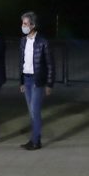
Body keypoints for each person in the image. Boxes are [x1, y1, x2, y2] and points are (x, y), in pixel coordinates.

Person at [18, 11, 54, 151]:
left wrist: (49, 83)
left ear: (33, 25)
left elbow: (50, 64)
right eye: (22, 23)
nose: (23, 26)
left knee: (35, 110)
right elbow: (21, 62)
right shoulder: (23, 41)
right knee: (31, 111)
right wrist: (21, 81)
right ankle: (33, 139)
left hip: (37, 80)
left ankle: (36, 141)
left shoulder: (43, 42)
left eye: (26, 24)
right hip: (26, 79)